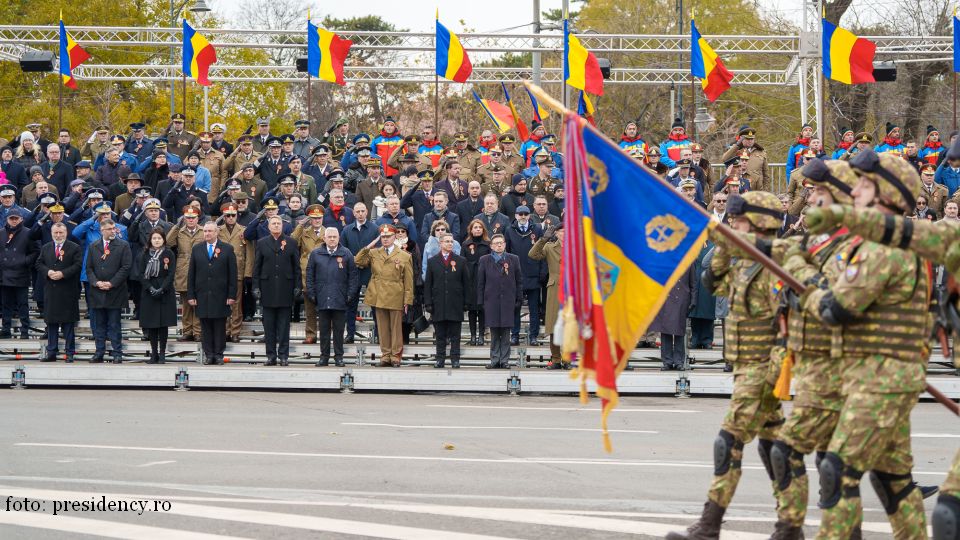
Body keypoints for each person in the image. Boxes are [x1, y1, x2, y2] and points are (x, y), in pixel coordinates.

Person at [793, 150, 931, 539]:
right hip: (881, 376)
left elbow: (838, 309)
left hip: (880, 379)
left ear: (886, 193)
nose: (856, 191)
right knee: (894, 482)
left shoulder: (880, 246)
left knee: (838, 471)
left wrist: (807, 287)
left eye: (866, 185)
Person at [666, 191, 787, 540]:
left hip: (762, 367)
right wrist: (725, 245)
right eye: (734, 221)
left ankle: (709, 526)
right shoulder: (743, 260)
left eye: (742, 221)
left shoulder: (779, 264)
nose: (735, 225)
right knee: (774, 446)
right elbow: (710, 279)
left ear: (761, 223)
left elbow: (788, 322)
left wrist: (776, 369)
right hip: (746, 364)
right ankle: (790, 525)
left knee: (728, 441)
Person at [355, 224, 414, 367]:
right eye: (383, 237)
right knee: (382, 327)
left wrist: (408, 299)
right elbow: (358, 260)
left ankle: (395, 355)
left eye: (388, 237)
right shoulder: (374, 252)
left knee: (395, 328)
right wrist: (369, 246)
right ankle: (386, 354)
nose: (385, 239)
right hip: (378, 293)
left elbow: (409, 280)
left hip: (396, 294)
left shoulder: (404, 255)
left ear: (394, 237)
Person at [306, 226, 358, 367]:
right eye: (330, 237)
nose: (332, 239)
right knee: (323, 330)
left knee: (339, 330)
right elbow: (309, 276)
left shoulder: (346, 253)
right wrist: (312, 294)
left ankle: (339, 357)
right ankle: (324, 357)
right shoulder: (316, 254)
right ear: (324, 238)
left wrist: (349, 296)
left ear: (339, 238)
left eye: (335, 237)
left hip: (340, 299)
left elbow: (353, 277)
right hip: (322, 299)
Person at [188, 221, 237, 365]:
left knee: (219, 326)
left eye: (210, 231)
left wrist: (231, 295)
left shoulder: (227, 249)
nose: (207, 233)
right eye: (205, 231)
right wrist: (191, 295)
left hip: (220, 295)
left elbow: (232, 274)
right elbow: (191, 274)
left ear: (217, 232)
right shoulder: (197, 249)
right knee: (206, 326)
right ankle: (209, 354)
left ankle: (219, 354)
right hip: (202, 294)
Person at [252, 216, 299, 366]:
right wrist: (256, 286)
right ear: (269, 226)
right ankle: (271, 356)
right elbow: (256, 268)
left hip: (286, 288)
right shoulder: (262, 243)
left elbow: (296, 267)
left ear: (283, 226)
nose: (277, 225)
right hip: (268, 289)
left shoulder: (291, 242)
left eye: (279, 223)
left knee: (284, 326)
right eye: (274, 223)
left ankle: (284, 355)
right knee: (269, 326)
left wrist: (298, 285)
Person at [86, 219, 132, 363]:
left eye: (114, 228)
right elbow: (89, 268)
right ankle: (99, 352)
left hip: (115, 292)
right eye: (109, 229)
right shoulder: (93, 246)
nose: (113, 231)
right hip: (97, 291)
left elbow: (126, 267)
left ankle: (117, 352)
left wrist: (111, 283)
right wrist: (96, 282)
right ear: (102, 231)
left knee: (114, 325)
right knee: (98, 325)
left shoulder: (123, 245)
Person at [36, 222, 82, 362]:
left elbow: (78, 265)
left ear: (66, 232)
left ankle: (69, 353)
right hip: (51, 291)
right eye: (55, 232)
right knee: (51, 323)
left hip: (68, 291)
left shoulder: (74, 247)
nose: (58, 235)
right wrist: (48, 272)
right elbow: (39, 263)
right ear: (51, 233)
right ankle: (51, 352)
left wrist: (63, 273)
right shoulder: (46, 248)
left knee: (68, 324)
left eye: (61, 232)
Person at [424, 232, 469, 369]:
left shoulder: (460, 260)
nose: (450, 243)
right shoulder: (432, 261)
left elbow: (466, 283)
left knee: (455, 335)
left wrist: (466, 302)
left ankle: (455, 358)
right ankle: (440, 359)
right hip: (438, 304)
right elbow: (428, 285)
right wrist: (428, 303)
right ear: (440, 244)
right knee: (440, 335)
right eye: (447, 241)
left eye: (451, 241)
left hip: (455, 303)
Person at [477, 234, 522, 369]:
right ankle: (494, 359)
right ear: (491, 246)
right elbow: (480, 282)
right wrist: (480, 301)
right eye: (496, 243)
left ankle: (504, 360)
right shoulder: (484, 260)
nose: (499, 245)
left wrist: (519, 298)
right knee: (494, 331)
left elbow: (519, 281)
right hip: (491, 300)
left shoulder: (513, 259)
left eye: (501, 243)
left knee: (506, 332)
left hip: (508, 300)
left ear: (505, 244)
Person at [505, 205, 544, 345]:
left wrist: (541, 273)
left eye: (525, 214)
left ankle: (534, 335)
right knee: (515, 307)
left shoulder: (537, 229)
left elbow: (542, 252)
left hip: (533, 274)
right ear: (515, 215)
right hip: (516, 276)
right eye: (520, 214)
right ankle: (514, 335)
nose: (523, 217)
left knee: (534, 308)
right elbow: (506, 253)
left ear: (529, 216)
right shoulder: (510, 230)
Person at [138, 228, 177, 363]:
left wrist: (161, 288)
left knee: (162, 325)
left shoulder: (168, 253)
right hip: (149, 292)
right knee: (152, 325)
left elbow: (171, 273)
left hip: (164, 292)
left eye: (159, 238)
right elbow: (141, 274)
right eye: (154, 238)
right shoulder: (144, 254)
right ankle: (153, 353)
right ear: (150, 240)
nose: (156, 240)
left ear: (163, 240)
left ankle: (162, 354)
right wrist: (150, 288)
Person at [528, 223, 564, 368]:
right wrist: (543, 239)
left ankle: (568, 359)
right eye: (562, 231)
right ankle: (556, 359)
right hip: (555, 287)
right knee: (554, 324)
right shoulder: (549, 247)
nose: (565, 234)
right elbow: (533, 254)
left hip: (572, 287)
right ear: (556, 233)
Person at [341, 201, 377, 343]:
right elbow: (343, 251)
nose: (360, 214)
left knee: (374, 304)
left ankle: (378, 334)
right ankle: (350, 333)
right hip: (353, 271)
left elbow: (377, 250)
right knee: (351, 304)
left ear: (367, 212)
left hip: (370, 271)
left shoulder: (374, 229)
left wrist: (365, 261)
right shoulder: (347, 230)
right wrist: (355, 262)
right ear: (354, 213)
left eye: (363, 211)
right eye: (358, 211)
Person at [166, 206, 204, 340]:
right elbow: (168, 242)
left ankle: (198, 332)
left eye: (193, 218)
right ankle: (187, 331)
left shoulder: (203, 231)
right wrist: (176, 226)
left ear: (197, 218)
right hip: (184, 269)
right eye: (188, 218)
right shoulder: (179, 232)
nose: (191, 220)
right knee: (187, 304)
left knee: (199, 302)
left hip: (200, 268)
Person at [0, 209, 38, 338]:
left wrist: (25, 261)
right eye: (12, 218)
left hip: (21, 273)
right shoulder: (1, 233)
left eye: (16, 218)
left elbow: (35, 251)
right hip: (4, 274)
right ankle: (5, 329)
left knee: (22, 304)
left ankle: (25, 330)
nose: (14, 220)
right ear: (7, 219)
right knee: (6, 304)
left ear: (21, 219)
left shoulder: (28, 233)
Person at [292, 204, 327, 344]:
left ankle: (325, 334)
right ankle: (311, 334)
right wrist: (300, 226)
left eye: (319, 218)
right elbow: (292, 241)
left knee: (325, 309)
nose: (317, 220)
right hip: (308, 275)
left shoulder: (328, 232)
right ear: (309, 219)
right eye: (313, 218)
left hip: (324, 274)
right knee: (309, 308)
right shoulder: (304, 232)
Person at [216, 204, 247, 342]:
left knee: (236, 303)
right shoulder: (217, 231)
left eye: (233, 215)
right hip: (220, 272)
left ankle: (235, 332)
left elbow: (248, 253)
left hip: (238, 271)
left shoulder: (243, 230)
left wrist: (248, 272)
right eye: (227, 215)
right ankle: (225, 330)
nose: (230, 218)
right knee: (221, 302)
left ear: (237, 215)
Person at [462, 219, 491, 346]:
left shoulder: (488, 244)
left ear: (483, 229)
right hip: (470, 281)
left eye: (480, 227)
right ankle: (473, 336)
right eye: (475, 227)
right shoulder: (466, 244)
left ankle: (481, 336)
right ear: (471, 230)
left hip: (484, 280)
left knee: (482, 309)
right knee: (472, 310)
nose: (478, 229)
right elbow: (462, 262)